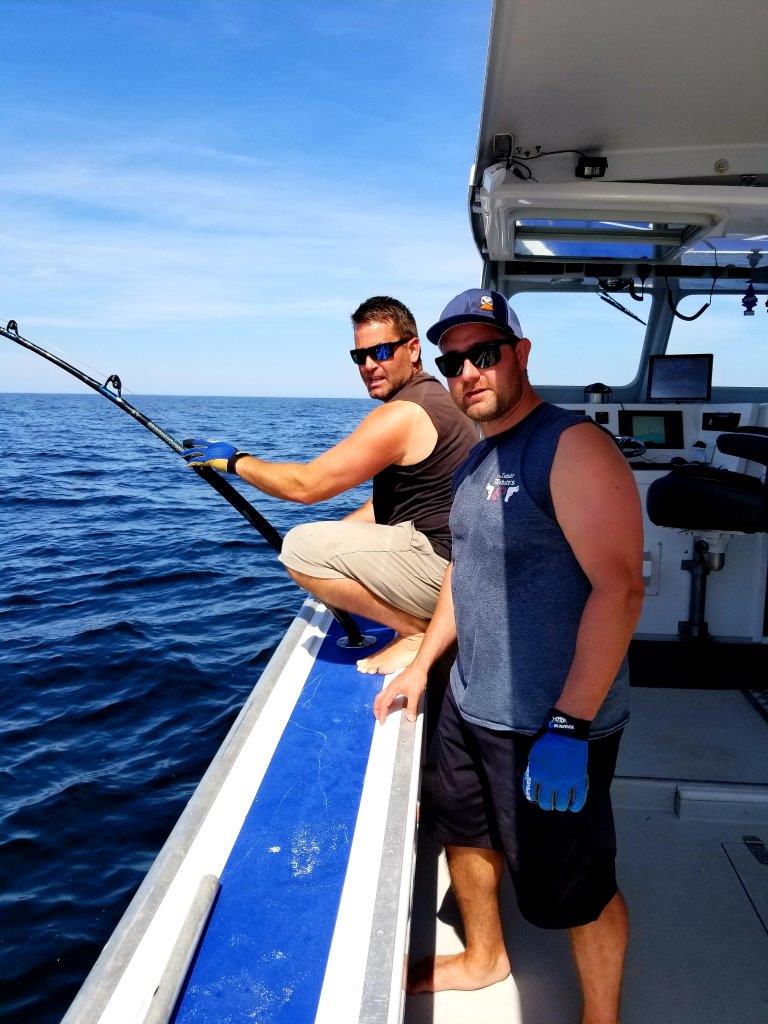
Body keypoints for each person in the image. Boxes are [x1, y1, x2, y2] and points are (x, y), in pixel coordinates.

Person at [374, 289, 644, 1023]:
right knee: (465, 834)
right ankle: (484, 955)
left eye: (484, 354)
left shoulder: (571, 445)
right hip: (472, 704)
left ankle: (601, 1017)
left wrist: (569, 726)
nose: (467, 372)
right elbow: (463, 574)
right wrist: (424, 666)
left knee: (577, 885)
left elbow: (620, 590)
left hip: (551, 721)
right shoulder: (475, 461)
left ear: (520, 355)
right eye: (452, 362)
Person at [181, 296, 478, 674]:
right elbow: (394, 502)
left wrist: (236, 461)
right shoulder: (434, 397)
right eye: (360, 356)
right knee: (330, 542)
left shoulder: (404, 413)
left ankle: (415, 631)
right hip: (459, 564)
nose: (369, 366)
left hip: (442, 570)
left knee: (299, 549)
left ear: (413, 349)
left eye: (381, 351)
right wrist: (341, 538)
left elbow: (306, 486)